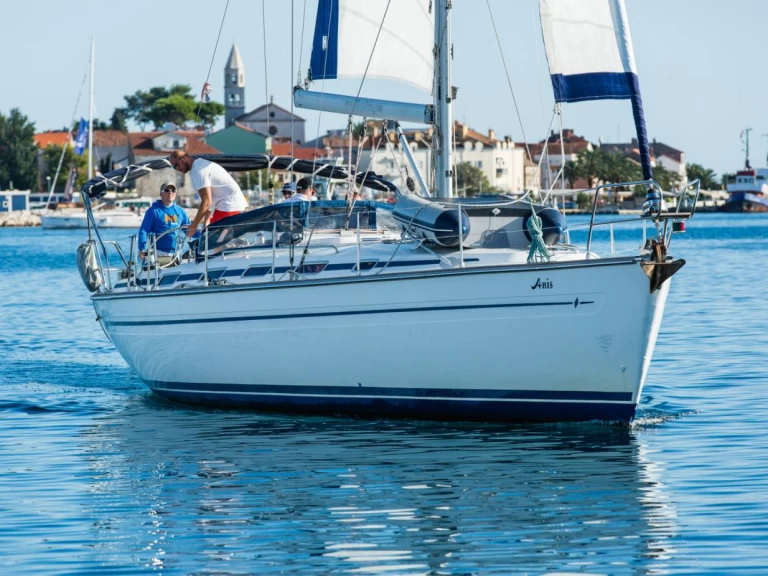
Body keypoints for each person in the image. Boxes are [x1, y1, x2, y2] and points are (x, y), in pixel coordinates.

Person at [169, 151, 248, 239]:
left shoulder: (199, 170)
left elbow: (207, 201)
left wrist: (194, 226)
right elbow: (211, 199)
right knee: (211, 237)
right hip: (227, 204)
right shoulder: (196, 168)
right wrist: (206, 221)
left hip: (229, 205)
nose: (177, 168)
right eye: (174, 167)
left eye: (177, 165)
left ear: (184, 158)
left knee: (214, 239)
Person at [138, 182, 190, 260]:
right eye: (167, 190)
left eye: (173, 190)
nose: (170, 192)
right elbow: (144, 230)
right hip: (157, 254)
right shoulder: (153, 211)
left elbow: (190, 230)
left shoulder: (180, 212)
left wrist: (204, 234)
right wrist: (142, 248)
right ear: (161, 193)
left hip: (176, 254)